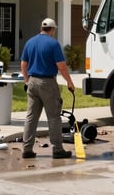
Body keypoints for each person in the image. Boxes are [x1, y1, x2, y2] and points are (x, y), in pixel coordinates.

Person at [20, 18, 75, 159]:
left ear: (42, 28)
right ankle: (57, 149)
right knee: (54, 117)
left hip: (32, 82)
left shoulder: (30, 42)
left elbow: (23, 65)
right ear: (52, 29)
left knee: (31, 117)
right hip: (47, 83)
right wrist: (69, 82)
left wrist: (27, 81)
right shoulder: (53, 43)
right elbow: (61, 66)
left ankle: (27, 149)